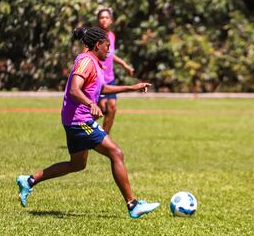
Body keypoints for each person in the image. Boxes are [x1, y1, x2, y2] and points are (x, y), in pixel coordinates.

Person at [16, 26, 159, 219]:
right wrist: (91, 104)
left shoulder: (93, 63)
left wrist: (132, 87)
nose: (108, 51)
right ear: (98, 44)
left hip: (74, 120)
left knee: (77, 164)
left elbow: (102, 88)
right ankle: (133, 204)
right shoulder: (85, 62)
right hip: (79, 120)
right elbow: (75, 90)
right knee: (116, 153)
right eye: (107, 46)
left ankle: (29, 180)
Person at [96, 8, 134, 134]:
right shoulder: (94, 35)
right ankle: (83, 132)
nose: (104, 20)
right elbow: (86, 54)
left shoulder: (111, 36)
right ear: (98, 20)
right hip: (98, 79)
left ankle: (104, 138)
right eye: (101, 17)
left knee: (112, 108)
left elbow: (110, 54)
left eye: (107, 17)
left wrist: (124, 65)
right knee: (101, 109)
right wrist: (97, 66)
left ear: (111, 20)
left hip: (110, 78)